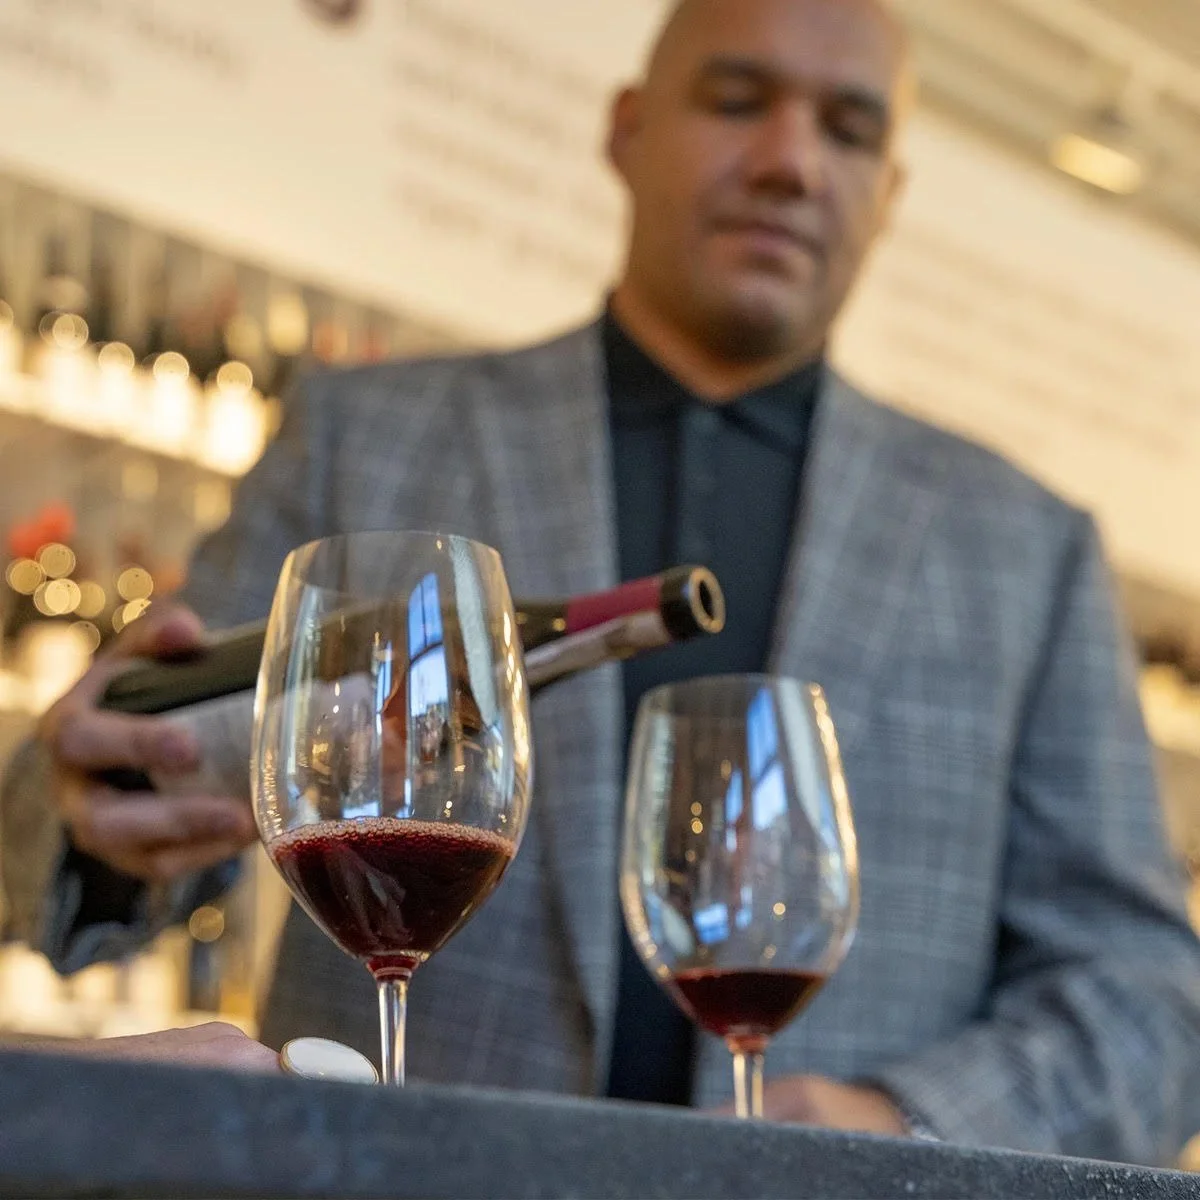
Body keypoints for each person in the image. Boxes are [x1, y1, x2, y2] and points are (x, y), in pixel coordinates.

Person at [3, 0, 1199, 1163]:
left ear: (889, 192)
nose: (790, 160)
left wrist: (904, 1129)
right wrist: (94, 819)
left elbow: (1151, 1003)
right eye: (738, 100)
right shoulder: (360, 437)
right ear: (626, 129)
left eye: (850, 128)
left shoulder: (1026, 547)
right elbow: (114, 794)